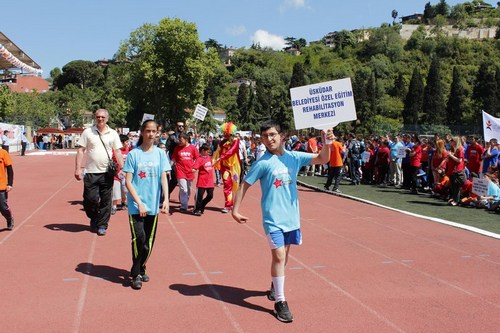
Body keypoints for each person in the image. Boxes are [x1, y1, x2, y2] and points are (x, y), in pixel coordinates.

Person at [231, 119, 333, 323]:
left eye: (272, 135)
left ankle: (274, 286)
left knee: (284, 256)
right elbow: (245, 185)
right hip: (272, 220)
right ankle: (280, 301)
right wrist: (235, 209)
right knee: (278, 256)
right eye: (265, 136)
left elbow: (322, 159)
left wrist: (327, 142)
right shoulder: (262, 163)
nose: (269, 139)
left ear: (281, 136)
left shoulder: (294, 157)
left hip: (292, 218)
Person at [122, 119, 170, 290]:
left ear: (157, 133)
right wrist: (139, 203)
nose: (150, 134)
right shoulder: (134, 154)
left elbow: (164, 177)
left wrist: (166, 200)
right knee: (139, 238)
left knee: (149, 241)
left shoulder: (160, 154)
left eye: (153, 131)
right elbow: (128, 182)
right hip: (137, 206)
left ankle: (141, 267)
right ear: (142, 132)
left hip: (153, 205)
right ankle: (135, 274)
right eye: (147, 131)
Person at [74, 109, 124, 235]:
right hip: (91, 171)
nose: (100, 119)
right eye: (98, 117)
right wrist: (78, 168)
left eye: (102, 117)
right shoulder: (88, 132)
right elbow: (81, 150)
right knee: (89, 199)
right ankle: (94, 217)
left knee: (106, 200)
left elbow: (117, 151)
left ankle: (102, 225)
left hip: (107, 172)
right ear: (95, 118)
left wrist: (123, 168)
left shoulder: (113, 133)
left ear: (107, 118)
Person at [212, 122, 241, 213]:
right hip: (225, 167)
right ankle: (228, 205)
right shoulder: (222, 142)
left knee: (235, 185)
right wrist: (213, 161)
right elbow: (217, 152)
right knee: (227, 185)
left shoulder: (236, 141)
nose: (224, 135)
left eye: (226, 134)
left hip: (234, 167)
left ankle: (234, 203)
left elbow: (232, 151)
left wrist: (221, 157)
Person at [171, 132, 199, 212]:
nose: (179, 142)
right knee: (184, 189)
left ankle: (183, 200)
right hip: (180, 171)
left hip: (190, 171)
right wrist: (169, 168)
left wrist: (195, 168)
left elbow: (198, 159)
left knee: (188, 189)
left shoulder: (193, 148)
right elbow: (173, 159)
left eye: (181, 140)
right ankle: (184, 206)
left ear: (186, 140)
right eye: (179, 140)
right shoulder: (177, 148)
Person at [192, 143, 215, 216]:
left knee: (210, 196)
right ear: (203, 150)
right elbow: (194, 168)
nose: (208, 153)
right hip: (202, 181)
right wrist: (191, 170)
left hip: (210, 181)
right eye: (207, 151)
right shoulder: (199, 159)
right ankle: (197, 210)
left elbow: (211, 166)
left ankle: (202, 205)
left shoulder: (208, 158)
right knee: (199, 197)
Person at [446, 136, 466, 206]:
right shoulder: (451, 149)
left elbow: (459, 160)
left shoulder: (460, 149)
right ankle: (454, 199)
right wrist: (448, 157)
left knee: (456, 185)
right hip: (451, 169)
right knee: (453, 185)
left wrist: (451, 156)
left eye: (452, 141)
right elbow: (448, 159)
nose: (450, 142)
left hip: (457, 170)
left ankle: (456, 200)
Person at [0, 146, 14, 230]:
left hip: (1, 186)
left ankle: (9, 218)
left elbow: (10, 169)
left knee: (3, 207)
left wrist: (10, 184)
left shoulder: (3, 153)